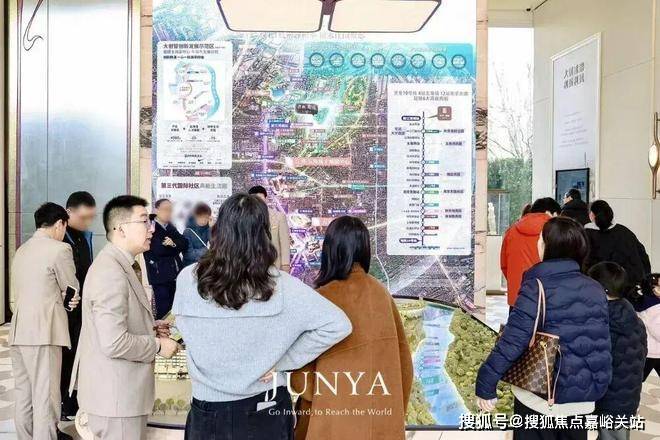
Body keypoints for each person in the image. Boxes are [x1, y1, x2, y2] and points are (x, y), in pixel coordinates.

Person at [173, 193, 352, 440]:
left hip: (207, 411)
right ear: (264, 235)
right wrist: (284, 360)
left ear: (219, 230)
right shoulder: (283, 286)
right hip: (266, 408)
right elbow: (338, 325)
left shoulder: (188, 279)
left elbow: (183, 325)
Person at [476, 217, 612, 440]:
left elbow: (513, 341)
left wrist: (486, 381)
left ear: (549, 246)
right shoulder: (596, 289)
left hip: (540, 398)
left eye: (541, 239)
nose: (538, 244)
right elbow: (601, 344)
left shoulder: (536, 286)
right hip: (581, 401)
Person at [290, 216, 413, 440]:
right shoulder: (382, 295)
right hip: (379, 424)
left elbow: (302, 380)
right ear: (364, 249)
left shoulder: (321, 299)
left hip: (332, 424)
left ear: (330, 250)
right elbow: (404, 367)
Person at [71, 195, 179, 440]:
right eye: (144, 221)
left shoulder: (122, 264)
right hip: (116, 400)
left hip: (121, 397)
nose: (152, 229)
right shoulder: (110, 272)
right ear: (120, 229)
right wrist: (158, 345)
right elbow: (114, 342)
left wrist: (150, 326)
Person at [10, 202, 81, 440]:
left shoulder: (22, 250)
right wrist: (70, 301)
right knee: (46, 396)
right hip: (44, 332)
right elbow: (71, 288)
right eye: (65, 227)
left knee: (24, 395)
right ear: (60, 223)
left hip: (19, 331)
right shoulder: (60, 249)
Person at [589, 262, 647, 440]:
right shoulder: (631, 316)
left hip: (610, 400)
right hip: (627, 396)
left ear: (601, 289)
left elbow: (598, 364)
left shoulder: (606, 322)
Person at [61, 191, 96, 420]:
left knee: (79, 356)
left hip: (82, 308)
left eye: (91, 217)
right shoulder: (61, 240)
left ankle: (74, 400)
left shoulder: (84, 237)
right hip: (66, 311)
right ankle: (64, 403)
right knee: (66, 357)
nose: (87, 222)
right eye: (83, 217)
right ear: (69, 212)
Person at [500, 197, 561, 306]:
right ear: (549, 212)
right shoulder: (554, 231)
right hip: (545, 298)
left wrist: (515, 282)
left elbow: (504, 265)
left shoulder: (511, 231)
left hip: (517, 298)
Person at [585, 200, 651, 295]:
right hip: (631, 288)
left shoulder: (587, 235)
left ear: (592, 215)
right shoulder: (625, 232)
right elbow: (643, 257)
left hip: (602, 290)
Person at [144, 198, 189, 319]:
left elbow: (184, 243)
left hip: (174, 274)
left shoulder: (170, 226)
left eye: (170, 210)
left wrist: (173, 244)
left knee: (174, 309)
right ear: (156, 210)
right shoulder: (150, 227)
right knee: (163, 310)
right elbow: (158, 249)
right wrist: (175, 247)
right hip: (159, 275)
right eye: (165, 209)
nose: (168, 212)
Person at [248, 185, 291, 272]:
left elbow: (285, 243)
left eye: (260, 198)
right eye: (254, 199)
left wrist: (285, 265)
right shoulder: (245, 218)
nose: (258, 201)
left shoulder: (279, 217)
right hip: (251, 267)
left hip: (274, 266)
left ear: (266, 199)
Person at [635, 274, 660, 382]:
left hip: (649, 349)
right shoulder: (655, 308)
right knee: (638, 378)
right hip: (654, 351)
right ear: (652, 289)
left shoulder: (643, 303)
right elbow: (657, 330)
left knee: (638, 378)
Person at [182, 202, 211, 267]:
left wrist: (211, 228)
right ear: (196, 216)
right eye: (201, 217)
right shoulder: (188, 231)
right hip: (190, 267)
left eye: (206, 217)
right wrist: (207, 250)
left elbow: (215, 248)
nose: (204, 220)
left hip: (205, 266)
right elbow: (189, 255)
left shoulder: (208, 229)